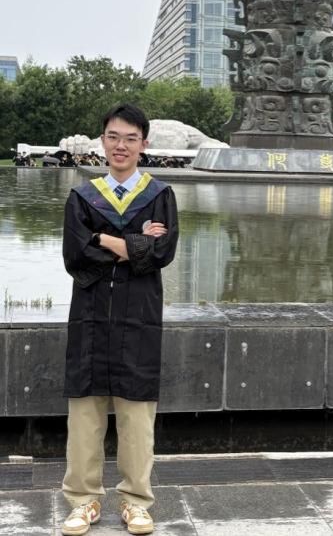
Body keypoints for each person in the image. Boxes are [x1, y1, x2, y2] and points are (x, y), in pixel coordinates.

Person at [60, 103, 179, 536]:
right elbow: (76, 255)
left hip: (138, 318)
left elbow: (162, 253)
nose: (121, 145)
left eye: (130, 138)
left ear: (144, 144)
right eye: (113, 136)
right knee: (84, 417)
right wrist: (133, 243)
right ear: (103, 141)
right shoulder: (83, 196)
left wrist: (103, 239)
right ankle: (83, 501)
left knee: (137, 419)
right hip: (91, 318)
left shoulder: (160, 195)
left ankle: (136, 502)